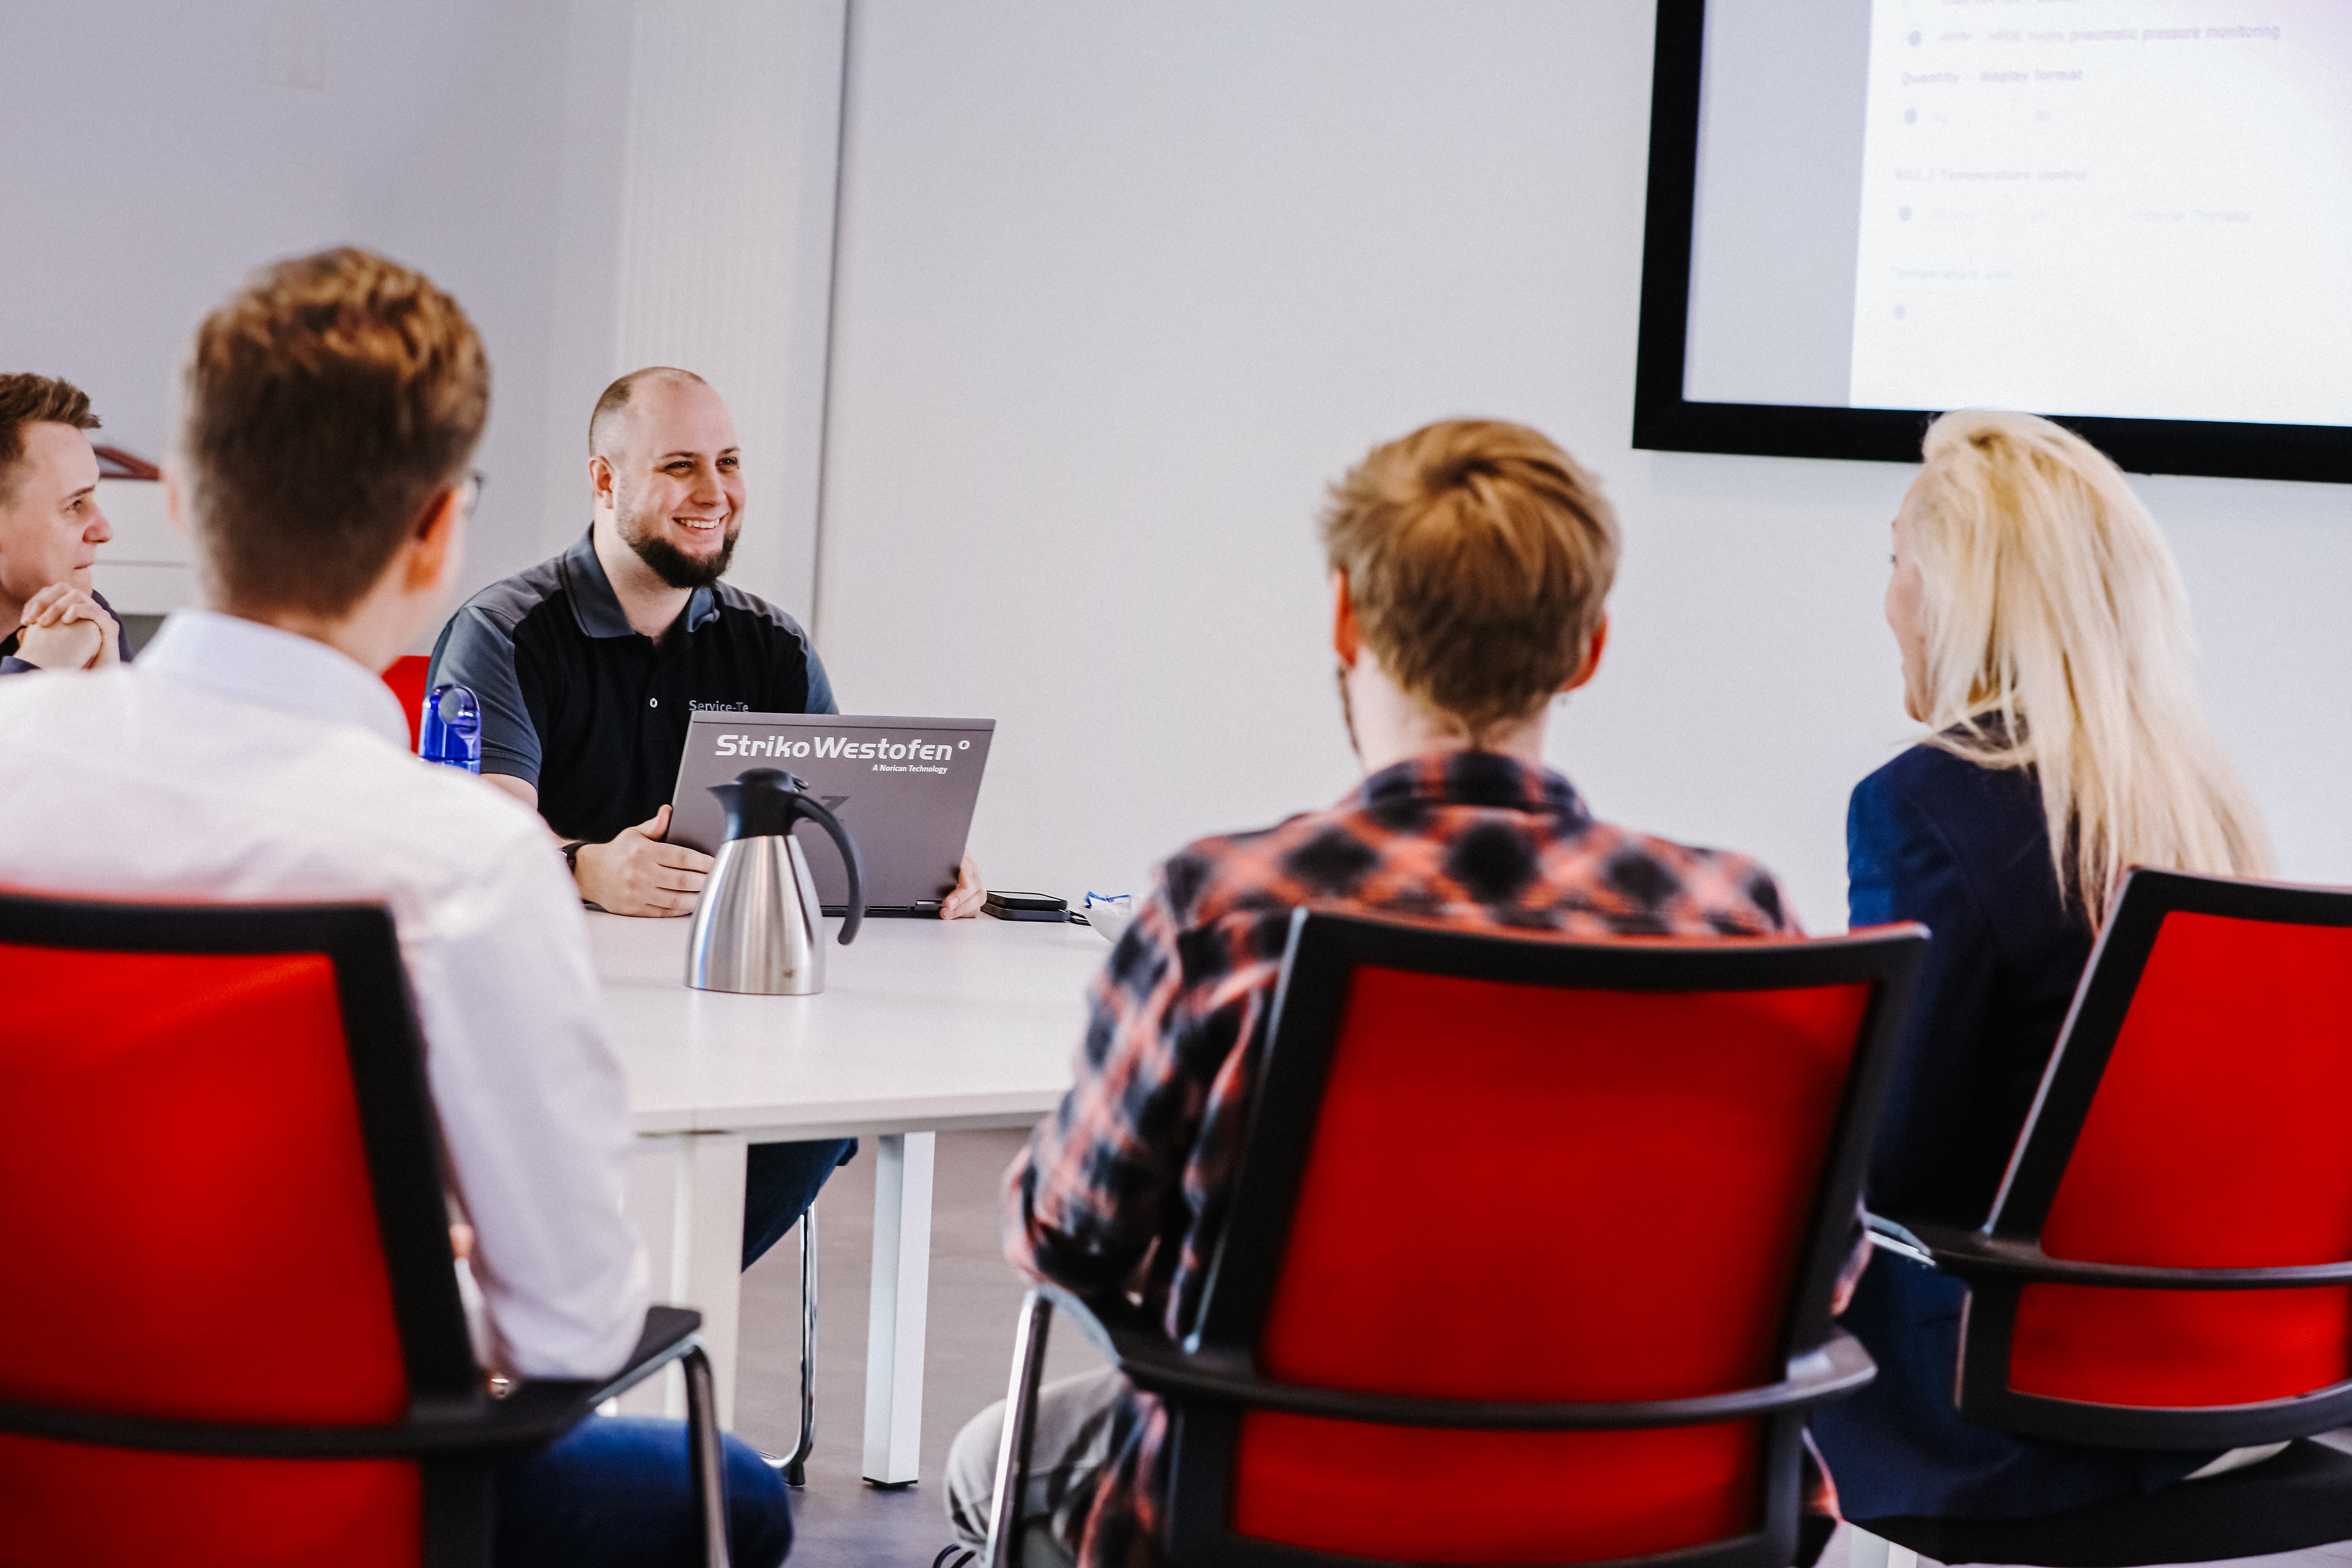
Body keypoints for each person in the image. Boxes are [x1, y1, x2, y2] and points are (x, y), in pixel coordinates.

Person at [0, 248, 791, 1568]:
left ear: (186, 503)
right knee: (733, 1491)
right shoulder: (466, 860)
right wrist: (406, 1264)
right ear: (438, 528)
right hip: (336, 1500)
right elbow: (572, 1332)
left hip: (28, 1471)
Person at [940, 419, 1801, 1568]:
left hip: (1280, 1509)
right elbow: (1810, 1273)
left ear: (1346, 616)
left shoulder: (1226, 910)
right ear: (1588, 647)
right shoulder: (1733, 923)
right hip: (1645, 1516)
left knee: (986, 1464)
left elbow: (1071, 1238)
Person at [1810, 411, 2275, 1526]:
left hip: (2005, 1400)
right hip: (2232, 1377)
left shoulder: (1920, 803)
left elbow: (1895, 1159)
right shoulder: (2198, 801)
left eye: (1896, 562)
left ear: (1960, 590)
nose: (1888, 600)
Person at [429, 365, 984, 1272]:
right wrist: (585, 870)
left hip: (725, 1022)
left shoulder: (771, 646)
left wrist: (921, 870)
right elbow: (468, 842)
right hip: (548, 1018)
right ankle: (597, 1324)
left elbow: (837, 837)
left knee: (818, 1127)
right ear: (606, 482)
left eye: (728, 463)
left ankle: (613, 1322)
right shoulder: (505, 632)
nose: (715, 493)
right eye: (680, 465)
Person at [0, 373, 131, 673]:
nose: (104, 531)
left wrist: (106, 690)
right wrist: (34, 674)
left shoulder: (87, 620)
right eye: (75, 504)